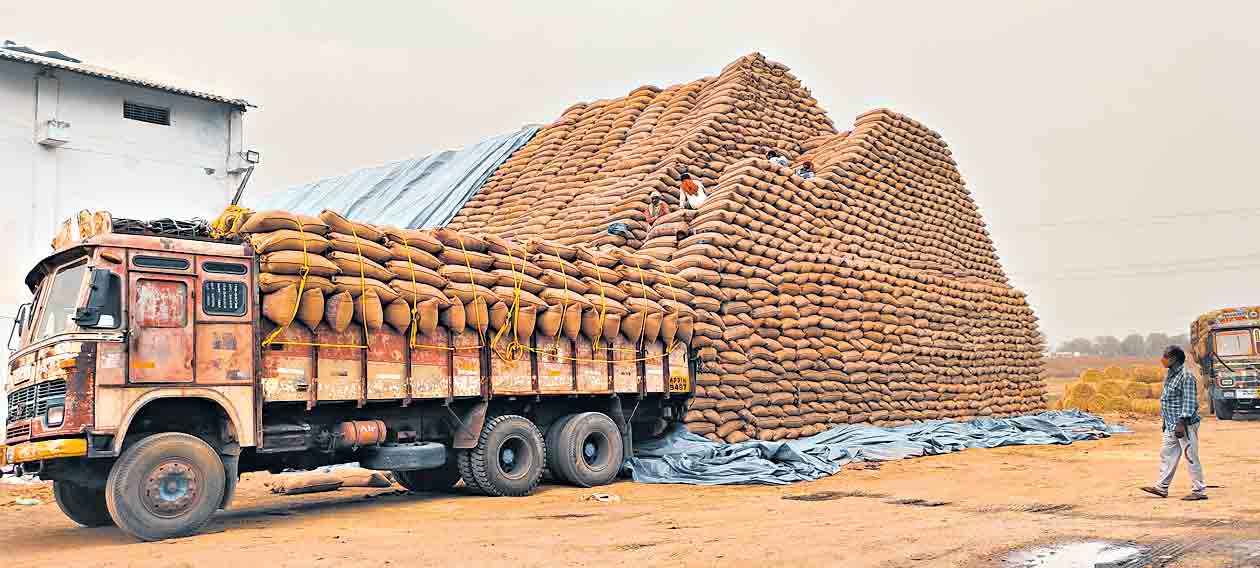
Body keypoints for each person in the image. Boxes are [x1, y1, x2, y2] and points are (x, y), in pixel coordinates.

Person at [1140, 345, 1207, 501]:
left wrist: (1181, 423)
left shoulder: (1186, 376)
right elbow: (1168, 400)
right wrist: (1165, 421)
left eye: (1165, 356)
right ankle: (1162, 487)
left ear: (1174, 359)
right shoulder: (1170, 375)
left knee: (1190, 456)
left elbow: (1189, 402)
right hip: (1170, 424)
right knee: (1167, 454)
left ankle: (1199, 490)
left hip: (1184, 424)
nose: (1162, 359)